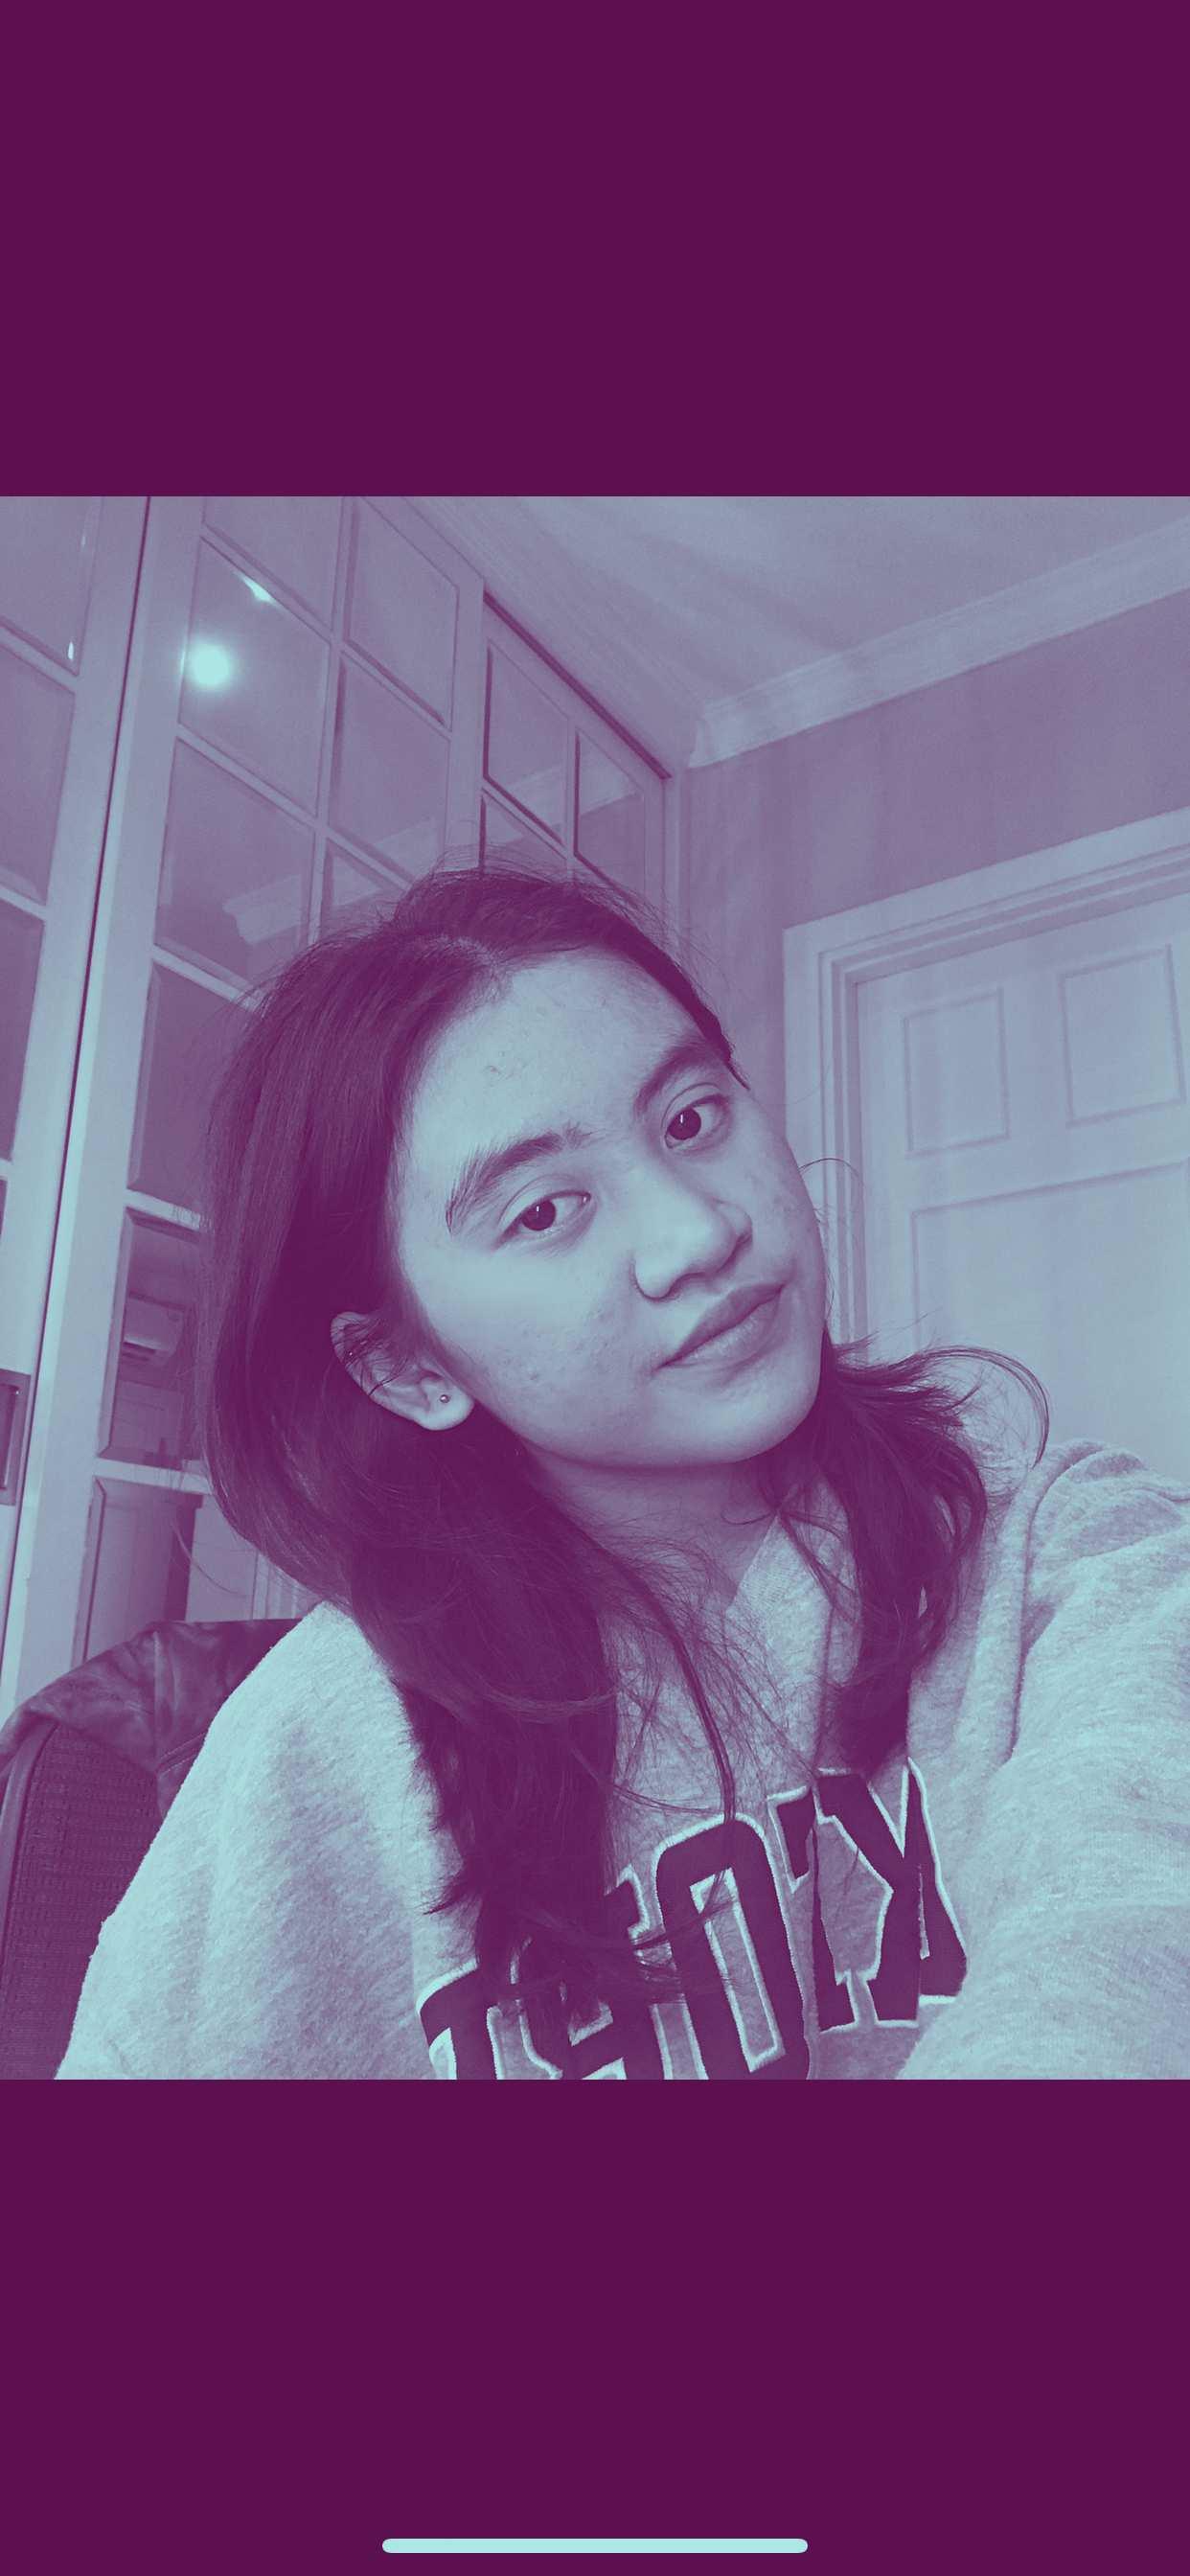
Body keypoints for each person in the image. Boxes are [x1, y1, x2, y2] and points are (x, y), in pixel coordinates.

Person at [57, 855, 1190, 2079]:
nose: (701, 1231)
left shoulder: (1070, 1557)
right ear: (409, 1368)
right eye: (544, 1210)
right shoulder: (319, 1752)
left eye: (692, 1119)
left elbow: (1127, 1948)